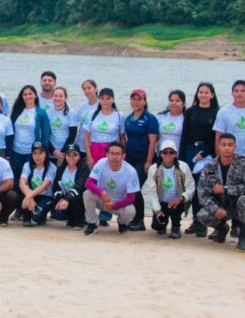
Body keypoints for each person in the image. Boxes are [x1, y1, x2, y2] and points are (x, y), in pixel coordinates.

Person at [195, 133, 245, 251]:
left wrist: (226, 189)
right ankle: (222, 229)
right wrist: (215, 209)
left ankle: (243, 239)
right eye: (223, 145)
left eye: (230, 145)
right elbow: (202, 193)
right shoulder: (210, 166)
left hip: (239, 204)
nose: (227, 148)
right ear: (218, 147)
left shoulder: (244, 164)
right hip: (221, 204)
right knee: (202, 215)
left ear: (235, 147)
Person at [181, 82, 220, 235]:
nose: (203, 95)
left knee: (202, 187)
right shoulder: (190, 111)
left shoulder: (217, 112)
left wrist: (205, 153)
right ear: (197, 94)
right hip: (190, 150)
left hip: (207, 153)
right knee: (190, 186)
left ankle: (203, 222)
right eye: (201, 92)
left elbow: (216, 137)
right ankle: (196, 221)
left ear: (212, 95)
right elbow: (185, 134)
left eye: (206, 92)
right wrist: (182, 156)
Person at [82, 142, 139, 236]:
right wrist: (102, 193)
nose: (114, 157)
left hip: (119, 203)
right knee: (87, 194)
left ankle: (122, 223)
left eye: (118, 154)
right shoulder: (101, 163)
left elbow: (131, 198)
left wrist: (115, 204)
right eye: (112, 153)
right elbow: (89, 183)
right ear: (107, 154)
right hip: (102, 200)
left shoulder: (131, 171)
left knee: (131, 210)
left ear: (123, 156)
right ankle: (92, 223)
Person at [123, 88, 159, 231]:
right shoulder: (128, 119)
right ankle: (132, 217)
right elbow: (125, 139)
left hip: (143, 158)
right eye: (134, 99)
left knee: (136, 186)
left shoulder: (150, 119)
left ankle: (140, 220)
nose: (136, 102)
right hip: (130, 157)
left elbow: (153, 142)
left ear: (144, 102)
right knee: (128, 187)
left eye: (139, 99)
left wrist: (149, 161)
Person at [143, 141, 195, 239]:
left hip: (178, 201)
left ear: (175, 154)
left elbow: (191, 187)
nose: (168, 154)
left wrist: (181, 198)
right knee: (157, 226)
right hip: (162, 202)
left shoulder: (183, 167)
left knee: (175, 209)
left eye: (171, 152)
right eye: (165, 152)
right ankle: (163, 223)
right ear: (160, 154)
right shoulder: (153, 169)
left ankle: (176, 227)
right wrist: (157, 210)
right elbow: (151, 191)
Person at [8, 85, 51, 190]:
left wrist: (42, 152)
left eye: (30, 94)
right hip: (16, 152)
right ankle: (18, 199)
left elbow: (46, 134)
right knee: (16, 178)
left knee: (30, 179)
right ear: (22, 97)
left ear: (35, 95)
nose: (28, 96)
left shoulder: (41, 113)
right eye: (25, 94)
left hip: (31, 153)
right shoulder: (17, 111)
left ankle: (30, 198)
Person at [213, 80, 245, 166]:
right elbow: (218, 137)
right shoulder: (223, 112)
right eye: (236, 91)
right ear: (232, 93)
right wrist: (220, 158)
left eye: (243, 91)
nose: (239, 93)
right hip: (228, 157)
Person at [19, 142, 58, 227]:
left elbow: (44, 186)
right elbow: (21, 183)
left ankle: (41, 216)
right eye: (35, 153)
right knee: (21, 193)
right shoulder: (27, 165)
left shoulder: (51, 167)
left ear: (46, 154)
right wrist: (30, 196)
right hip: (32, 194)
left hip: (46, 196)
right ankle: (26, 218)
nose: (37, 156)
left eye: (40, 153)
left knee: (37, 217)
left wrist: (29, 196)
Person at [82, 88, 123, 169]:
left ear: (113, 100)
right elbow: (86, 136)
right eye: (102, 98)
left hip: (112, 152)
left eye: (108, 98)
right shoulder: (92, 114)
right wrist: (89, 156)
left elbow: (122, 138)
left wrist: (122, 155)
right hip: (94, 151)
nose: (105, 101)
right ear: (99, 100)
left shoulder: (119, 115)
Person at [50, 144, 88, 228]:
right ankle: (71, 218)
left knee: (78, 196)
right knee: (58, 214)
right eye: (68, 155)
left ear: (79, 156)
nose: (71, 157)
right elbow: (56, 187)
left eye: (75, 155)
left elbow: (79, 186)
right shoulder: (61, 168)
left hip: (79, 199)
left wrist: (67, 199)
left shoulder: (84, 168)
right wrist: (60, 198)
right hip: (65, 198)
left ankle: (80, 220)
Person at [46, 87, 76, 166]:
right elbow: (45, 134)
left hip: (66, 153)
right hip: (51, 152)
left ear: (65, 98)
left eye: (61, 96)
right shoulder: (48, 112)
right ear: (52, 97)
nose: (57, 98)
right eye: (55, 96)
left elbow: (72, 135)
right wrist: (53, 151)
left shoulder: (71, 112)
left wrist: (62, 154)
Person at [156, 90, 186, 154]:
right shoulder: (160, 117)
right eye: (171, 100)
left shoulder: (186, 119)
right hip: (161, 156)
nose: (174, 103)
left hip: (178, 156)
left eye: (177, 101)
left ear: (183, 103)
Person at [73, 80, 99, 152]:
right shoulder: (82, 106)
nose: (87, 91)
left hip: (94, 145)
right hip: (80, 145)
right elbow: (78, 123)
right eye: (84, 89)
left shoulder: (101, 105)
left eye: (89, 88)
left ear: (96, 88)